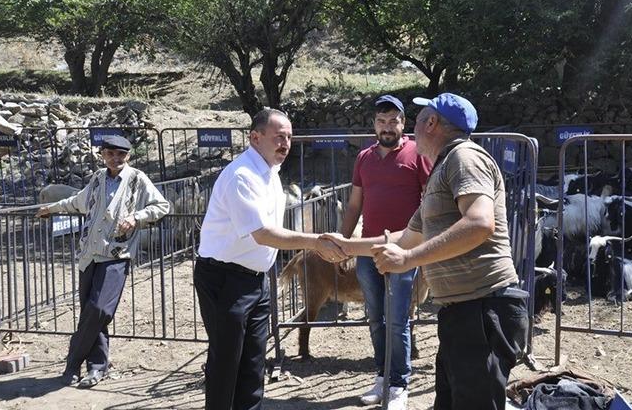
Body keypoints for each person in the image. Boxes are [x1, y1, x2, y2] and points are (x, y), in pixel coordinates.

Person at [325, 93, 528, 410]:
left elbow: (479, 223)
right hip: (461, 311)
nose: (412, 128)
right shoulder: (442, 170)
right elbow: (407, 237)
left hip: (483, 308)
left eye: (417, 119)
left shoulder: (465, 158)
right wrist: (348, 245)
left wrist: (408, 259)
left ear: (431, 123)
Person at [194, 108, 346, 410]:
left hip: (256, 279)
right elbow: (262, 234)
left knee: (253, 364)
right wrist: (315, 242)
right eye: (278, 137)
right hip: (225, 280)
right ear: (255, 137)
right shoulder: (242, 176)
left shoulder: (270, 173)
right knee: (226, 363)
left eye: (289, 137)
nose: (285, 143)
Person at [36, 135, 171, 388]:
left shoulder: (137, 179)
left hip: (116, 255)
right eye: (110, 154)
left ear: (128, 156)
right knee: (91, 313)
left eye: (120, 154)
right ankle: (96, 368)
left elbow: (162, 206)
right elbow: (78, 202)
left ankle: (73, 362)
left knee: (99, 310)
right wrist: (52, 208)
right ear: (103, 155)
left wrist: (136, 217)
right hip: (89, 255)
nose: (115, 158)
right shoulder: (98, 178)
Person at [340, 95, 431, 408]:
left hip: (403, 250)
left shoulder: (417, 153)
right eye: (382, 121)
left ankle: (399, 384)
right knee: (376, 318)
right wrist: (342, 243)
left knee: (397, 319)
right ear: (374, 124)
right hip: (368, 250)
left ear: (403, 123)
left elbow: (430, 201)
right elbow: (354, 204)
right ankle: (382, 377)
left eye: (394, 121)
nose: (387, 127)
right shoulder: (364, 158)